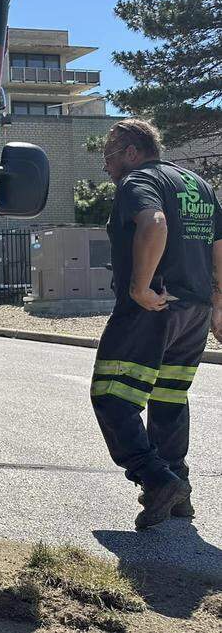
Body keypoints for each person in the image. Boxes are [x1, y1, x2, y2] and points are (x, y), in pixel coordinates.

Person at [91, 119, 222, 530]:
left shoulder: (139, 180)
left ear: (131, 152)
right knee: (169, 397)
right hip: (195, 311)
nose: (106, 166)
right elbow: (219, 245)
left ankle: (156, 479)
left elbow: (155, 223)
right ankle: (179, 489)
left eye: (109, 156)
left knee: (112, 396)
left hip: (153, 308)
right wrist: (218, 303)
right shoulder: (197, 185)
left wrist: (140, 287)